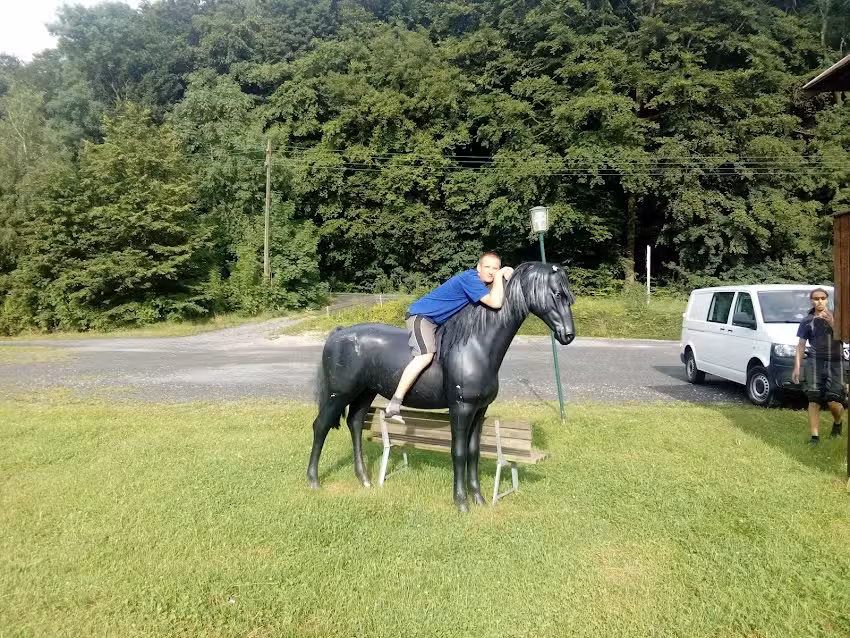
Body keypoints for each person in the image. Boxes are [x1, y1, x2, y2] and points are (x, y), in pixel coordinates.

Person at [384, 252, 514, 423]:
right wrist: (501, 274)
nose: (491, 271)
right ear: (478, 267)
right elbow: (495, 302)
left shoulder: (480, 283)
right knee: (425, 356)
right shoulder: (471, 279)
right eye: (487, 267)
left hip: (439, 322)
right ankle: (394, 404)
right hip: (422, 317)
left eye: (495, 268)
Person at [791, 288, 847, 445]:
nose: (820, 301)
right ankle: (814, 437)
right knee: (814, 399)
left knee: (834, 402)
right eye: (816, 298)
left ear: (827, 299)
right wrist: (797, 367)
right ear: (811, 301)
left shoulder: (837, 317)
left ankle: (838, 422)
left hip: (836, 362)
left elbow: (846, 339)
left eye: (823, 298)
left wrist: (832, 322)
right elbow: (801, 345)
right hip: (815, 361)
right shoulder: (807, 321)